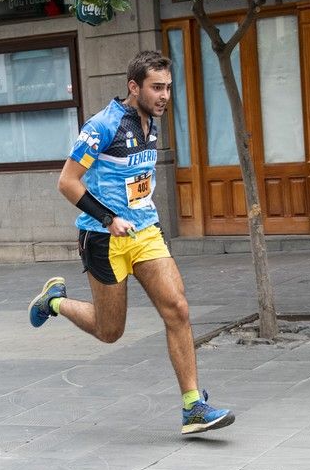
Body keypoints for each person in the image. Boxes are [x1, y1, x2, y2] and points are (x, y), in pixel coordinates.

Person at [28, 50, 235, 435]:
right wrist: (109, 218)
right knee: (110, 332)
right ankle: (53, 301)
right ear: (133, 86)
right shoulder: (102, 126)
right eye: (157, 88)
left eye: (168, 88)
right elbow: (67, 182)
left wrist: (135, 218)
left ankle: (193, 406)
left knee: (178, 309)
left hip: (145, 232)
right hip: (103, 238)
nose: (164, 96)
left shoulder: (152, 123)